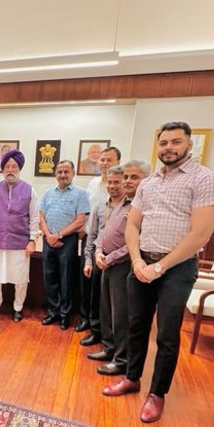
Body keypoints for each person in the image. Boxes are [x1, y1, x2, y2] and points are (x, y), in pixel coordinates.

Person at [121, 121, 214, 423]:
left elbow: (201, 234)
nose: (169, 148)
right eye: (163, 142)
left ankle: (157, 394)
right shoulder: (148, 183)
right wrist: (138, 260)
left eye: (175, 142)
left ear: (189, 145)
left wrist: (160, 267)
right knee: (136, 326)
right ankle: (132, 378)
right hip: (142, 264)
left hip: (176, 269)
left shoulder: (206, 180)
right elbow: (133, 225)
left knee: (166, 334)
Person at [82, 162, 150, 381]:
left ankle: (121, 360)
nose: (126, 182)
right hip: (106, 263)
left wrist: (108, 257)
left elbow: (135, 242)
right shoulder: (120, 204)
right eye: (126, 178)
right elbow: (104, 232)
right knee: (107, 310)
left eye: (132, 178)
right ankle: (109, 348)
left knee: (121, 315)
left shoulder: (140, 206)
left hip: (122, 265)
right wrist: (99, 252)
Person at [0, 149, 41, 321]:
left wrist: (32, 240)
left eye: (14, 166)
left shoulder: (29, 190)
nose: (10, 169)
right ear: (3, 169)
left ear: (19, 169)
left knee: (20, 279)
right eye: (7, 166)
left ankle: (18, 307)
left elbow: (34, 217)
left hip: (19, 242)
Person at [38, 160, 90, 329]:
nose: (62, 175)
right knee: (49, 278)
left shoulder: (80, 194)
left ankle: (64, 315)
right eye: (59, 171)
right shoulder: (47, 193)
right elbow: (41, 218)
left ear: (73, 174)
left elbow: (80, 221)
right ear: (55, 174)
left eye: (66, 171)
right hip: (48, 239)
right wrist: (49, 236)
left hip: (67, 241)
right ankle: (53, 312)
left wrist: (58, 235)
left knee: (66, 279)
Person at [76, 146, 122, 336]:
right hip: (90, 237)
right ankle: (86, 318)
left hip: (112, 243)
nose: (104, 163)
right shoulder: (93, 183)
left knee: (101, 288)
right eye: (101, 159)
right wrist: (81, 227)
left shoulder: (119, 184)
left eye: (108, 160)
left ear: (118, 162)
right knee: (86, 282)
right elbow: (88, 208)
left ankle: (102, 326)